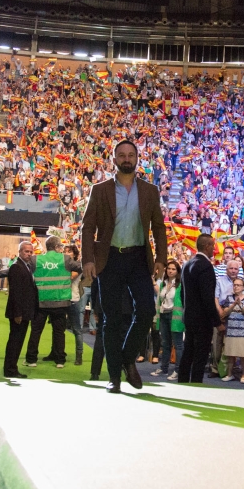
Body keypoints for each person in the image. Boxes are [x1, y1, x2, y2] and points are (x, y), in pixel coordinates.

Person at [81, 140, 167, 393]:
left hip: (139, 257)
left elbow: (159, 228)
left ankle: (127, 359)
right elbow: (88, 227)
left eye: (131, 155)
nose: (126, 159)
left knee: (147, 310)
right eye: (122, 155)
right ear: (114, 159)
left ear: (137, 158)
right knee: (111, 319)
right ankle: (114, 378)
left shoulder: (150, 191)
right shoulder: (100, 190)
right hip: (110, 259)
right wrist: (88, 259)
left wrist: (161, 258)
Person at [26, 236, 82, 369]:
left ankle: (31, 359)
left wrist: (0, 274)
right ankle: (60, 360)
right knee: (59, 332)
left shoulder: (36, 259)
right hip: (60, 302)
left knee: (36, 331)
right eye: (61, 247)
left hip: (41, 302)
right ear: (57, 247)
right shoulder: (65, 259)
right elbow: (81, 267)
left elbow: (20, 269)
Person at [178, 234, 223, 383]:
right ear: (207, 246)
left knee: (188, 352)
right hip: (203, 320)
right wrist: (217, 322)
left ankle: (182, 382)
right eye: (213, 245)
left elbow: (182, 293)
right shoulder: (205, 266)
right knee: (200, 355)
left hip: (189, 317)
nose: (215, 249)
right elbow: (207, 297)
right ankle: (196, 384)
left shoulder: (186, 264)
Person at [4, 241, 37, 378]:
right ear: (20, 252)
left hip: (25, 312)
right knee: (15, 342)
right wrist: (18, 313)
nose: (29, 254)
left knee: (18, 342)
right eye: (26, 251)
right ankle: (10, 370)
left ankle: (12, 368)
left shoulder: (26, 266)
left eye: (30, 252)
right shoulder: (16, 267)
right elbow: (15, 293)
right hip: (19, 313)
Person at [151, 260, 184, 381]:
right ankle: (164, 368)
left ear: (177, 271)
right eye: (169, 268)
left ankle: (178, 370)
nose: (170, 271)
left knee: (178, 345)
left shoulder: (180, 284)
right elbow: (159, 301)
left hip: (175, 316)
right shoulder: (163, 284)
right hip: (163, 315)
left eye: (173, 269)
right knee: (165, 344)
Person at [220, 277, 244, 383]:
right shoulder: (228, 298)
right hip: (230, 330)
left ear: (243, 287)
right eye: (234, 285)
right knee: (230, 354)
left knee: (243, 354)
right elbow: (225, 312)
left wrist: (240, 305)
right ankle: (229, 374)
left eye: (238, 285)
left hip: (243, 331)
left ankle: (243, 375)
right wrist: (233, 304)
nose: (236, 287)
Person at [210, 258, 241, 377]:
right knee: (217, 342)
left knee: (230, 342)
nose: (233, 271)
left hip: (236, 314)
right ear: (226, 269)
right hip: (220, 312)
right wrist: (220, 312)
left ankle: (229, 370)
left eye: (236, 268)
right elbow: (215, 298)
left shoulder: (241, 282)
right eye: (231, 268)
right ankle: (215, 369)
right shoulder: (220, 281)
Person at [64, 245, 85, 366]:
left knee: (77, 330)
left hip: (73, 299)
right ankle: (57, 353)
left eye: (70, 251)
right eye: (65, 251)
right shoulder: (64, 265)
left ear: (75, 254)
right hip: (62, 299)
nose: (67, 253)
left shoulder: (77, 266)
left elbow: (70, 277)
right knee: (58, 329)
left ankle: (79, 355)